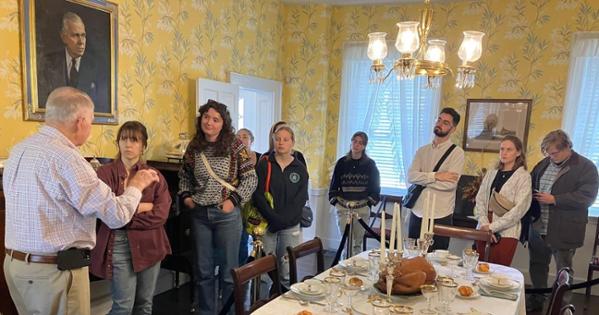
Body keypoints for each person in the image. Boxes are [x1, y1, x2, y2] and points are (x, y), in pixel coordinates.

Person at [2, 87, 159, 315]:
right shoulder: (67, 159)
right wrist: (137, 185)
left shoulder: (18, 151)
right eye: (92, 122)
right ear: (80, 121)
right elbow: (116, 216)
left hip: (16, 267)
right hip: (55, 273)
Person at [178, 100, 257, 315]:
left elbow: (250, 178)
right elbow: (184, 176)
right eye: (206, 117)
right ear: (200, 119)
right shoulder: (194, 147)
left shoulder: (235, 145)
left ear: (223, 123)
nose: (209, 122)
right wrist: (187, 198)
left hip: (227, 216)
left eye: (215, 119)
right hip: (200, 215)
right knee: (203, 271)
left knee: (228, 271)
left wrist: (233, 201)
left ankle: (228, 312)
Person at [90, 121, 172, 315]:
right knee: (123, 306)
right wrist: (143, 207)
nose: (128, 144)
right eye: (124, 139)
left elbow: (161, 214)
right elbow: (107, 214)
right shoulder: (104, 173)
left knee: (144, 304)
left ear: (143, 146)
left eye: (134, 140)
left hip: (151, 243)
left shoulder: (154, 175)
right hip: (117, 243)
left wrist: (124, 215)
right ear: (118, 143)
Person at [526, 129, 599, 312]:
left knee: (564, 271)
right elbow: (531, 185)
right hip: (539, 226)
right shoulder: (544, 164)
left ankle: (562, 307)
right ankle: (536, 301)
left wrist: (555, 199)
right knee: (537, 266)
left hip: (565, 228)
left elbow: (587, 197)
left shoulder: (586, 167)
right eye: (548, 153)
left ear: (567, 147)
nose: (550, 156)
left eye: (554, 153)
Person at [254, 124, 309, 284]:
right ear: (273, 141)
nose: (281, 143)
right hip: (267, 224)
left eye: (285, 139)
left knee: (286, 269)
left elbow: (300, 199)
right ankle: (263, 306)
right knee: (264, 272)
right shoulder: (264, 164)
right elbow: (258, 194)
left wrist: (284, 221)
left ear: (292, 142)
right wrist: (274, 219)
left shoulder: (299, 168)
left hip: (290, 226)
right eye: (277, 139)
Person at [406, 107, 465, 250]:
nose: (440, 124)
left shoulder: (457, 153)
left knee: (437, 262)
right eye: (439, 119)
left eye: (445, 122)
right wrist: (436, 176)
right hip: (417, 211)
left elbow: (449, 185)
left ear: (453, 129)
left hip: (440, 214)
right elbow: (411, 176)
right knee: (412, 257)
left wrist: (423, 178)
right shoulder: (422, 150)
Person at [474, 136, 532, 266]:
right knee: (478, 268)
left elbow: (519, 209)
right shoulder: (492, 173)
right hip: (484, 226)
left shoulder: (523, 176)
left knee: (498, 272)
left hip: (506, 231)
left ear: (518, 152)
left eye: (509, 149)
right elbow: (480, 200)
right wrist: (484, 224)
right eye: (502, 149)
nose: (504, 153)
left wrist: (492, 228)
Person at [37, 11, 108, 113]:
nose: (81, 42)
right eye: (75, 35)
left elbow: (101, 106)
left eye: (83, 35)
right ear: (63, 37)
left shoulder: (98, 65)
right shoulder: (48, 63)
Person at [329, 131, 380, 257]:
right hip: (343, 206)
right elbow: (334, 185)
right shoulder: (341, 162)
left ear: (364, 146)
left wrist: (368, 203)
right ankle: (343, 268)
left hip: (361, 208)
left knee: (357, 243)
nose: (356, 145)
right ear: (351, 142)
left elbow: (375, 188)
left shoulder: (370, 165)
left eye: (360, 143)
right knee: (345, 242)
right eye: (355, 141)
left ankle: (355, 269)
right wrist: (335, 201)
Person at [236, 128, 261, 265]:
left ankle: (259, 271)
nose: (241, 139)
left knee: (259, 240)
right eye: (238, 136)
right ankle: (242, 271)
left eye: (245, 136)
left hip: (258, 206)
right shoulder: (232, 160)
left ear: (251, 140)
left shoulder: (261, 158)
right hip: (240, 205)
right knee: (242, 239)